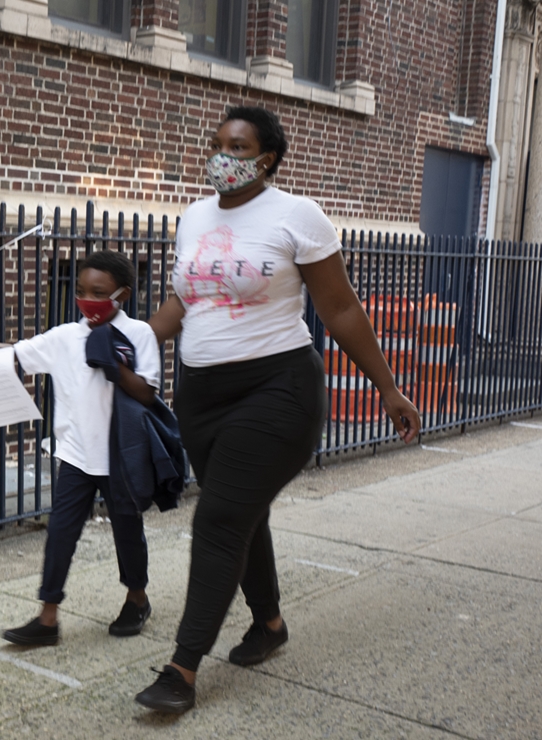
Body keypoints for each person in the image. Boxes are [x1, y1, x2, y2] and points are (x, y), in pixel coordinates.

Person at [135, 106, 421, 712]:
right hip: (201, 397)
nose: (221, 155)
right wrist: (128, 347)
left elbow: (340, 309)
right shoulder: (193, 218)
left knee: (216, 520)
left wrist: (388, 387)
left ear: (265, 158)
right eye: (215, 143)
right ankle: (269, 625)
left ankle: (181, 670)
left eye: (235, 147)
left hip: (278, 391)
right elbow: (183, 302)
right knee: (241, 515)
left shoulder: (297, 216)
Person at [0, 250, 162, 645]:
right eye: (81, 290)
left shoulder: (139, 334)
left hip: (121, 456)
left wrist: (114, 364)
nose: (88, 298)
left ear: (121, 294)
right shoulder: (65, 337)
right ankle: (47, 618)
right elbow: (21, 353)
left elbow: (147, 392)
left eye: (99, 291)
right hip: (75, 455)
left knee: (128, 532)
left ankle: (137, 598)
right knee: (60, 532)